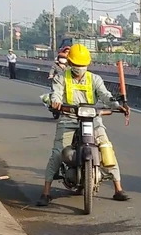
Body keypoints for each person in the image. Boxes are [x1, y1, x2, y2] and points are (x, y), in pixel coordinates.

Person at [37, 44, 130, 206]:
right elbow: (57, 94)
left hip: (92, 119)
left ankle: (118, 189)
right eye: (77, 65)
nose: (80, 68)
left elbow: (105, 96)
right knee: (58, 153)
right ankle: (46, 192)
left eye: (83, 65)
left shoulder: (95, 79)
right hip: (69, 118)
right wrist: (56, 102)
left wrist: (116, 106)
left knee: (106, 148)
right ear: (70, 63)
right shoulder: (61, 77)